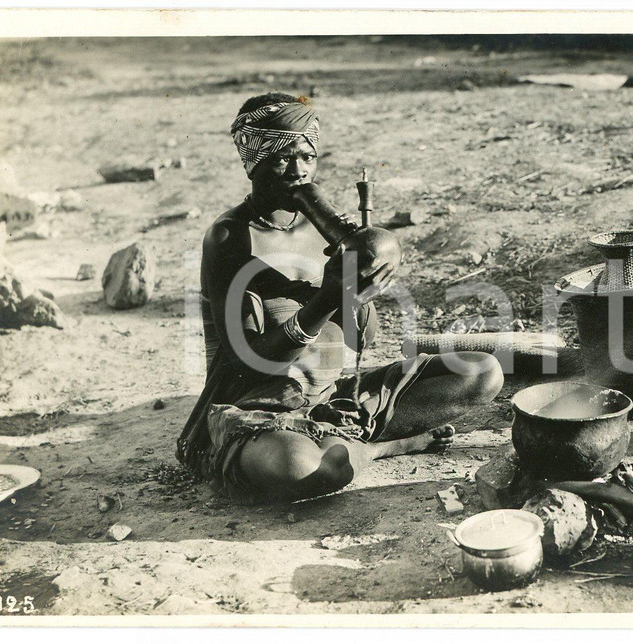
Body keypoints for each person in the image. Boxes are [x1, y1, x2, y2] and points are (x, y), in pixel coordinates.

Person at [177, 92, 504, 505]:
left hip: (335, 393)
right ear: (252, 163)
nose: (298, 171)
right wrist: (326, 299)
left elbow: (359, 339)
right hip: (261, 405)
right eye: (281, 158)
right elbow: (248, 361)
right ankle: (377, 447)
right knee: (309, 469)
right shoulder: (229, 238)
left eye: (307, 157)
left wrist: (361, 292)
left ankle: (338, 433)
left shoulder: (324, 228)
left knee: (482, 372)